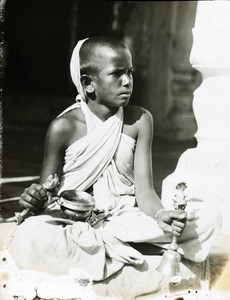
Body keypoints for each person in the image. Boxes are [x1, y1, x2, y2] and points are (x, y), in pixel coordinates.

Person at [0, 36, 221, 299]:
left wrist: (161, 214)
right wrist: (33, 199)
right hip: (74, 222)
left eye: (129, 73)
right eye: (117, 74)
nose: (127, 81)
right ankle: (136, 260)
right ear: (88, 83)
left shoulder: (140, 120)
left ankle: (105, 258)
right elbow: (46, 193)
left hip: (123, 220)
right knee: (30, 236)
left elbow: (145, 193)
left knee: (208, 218)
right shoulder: (64, 127)